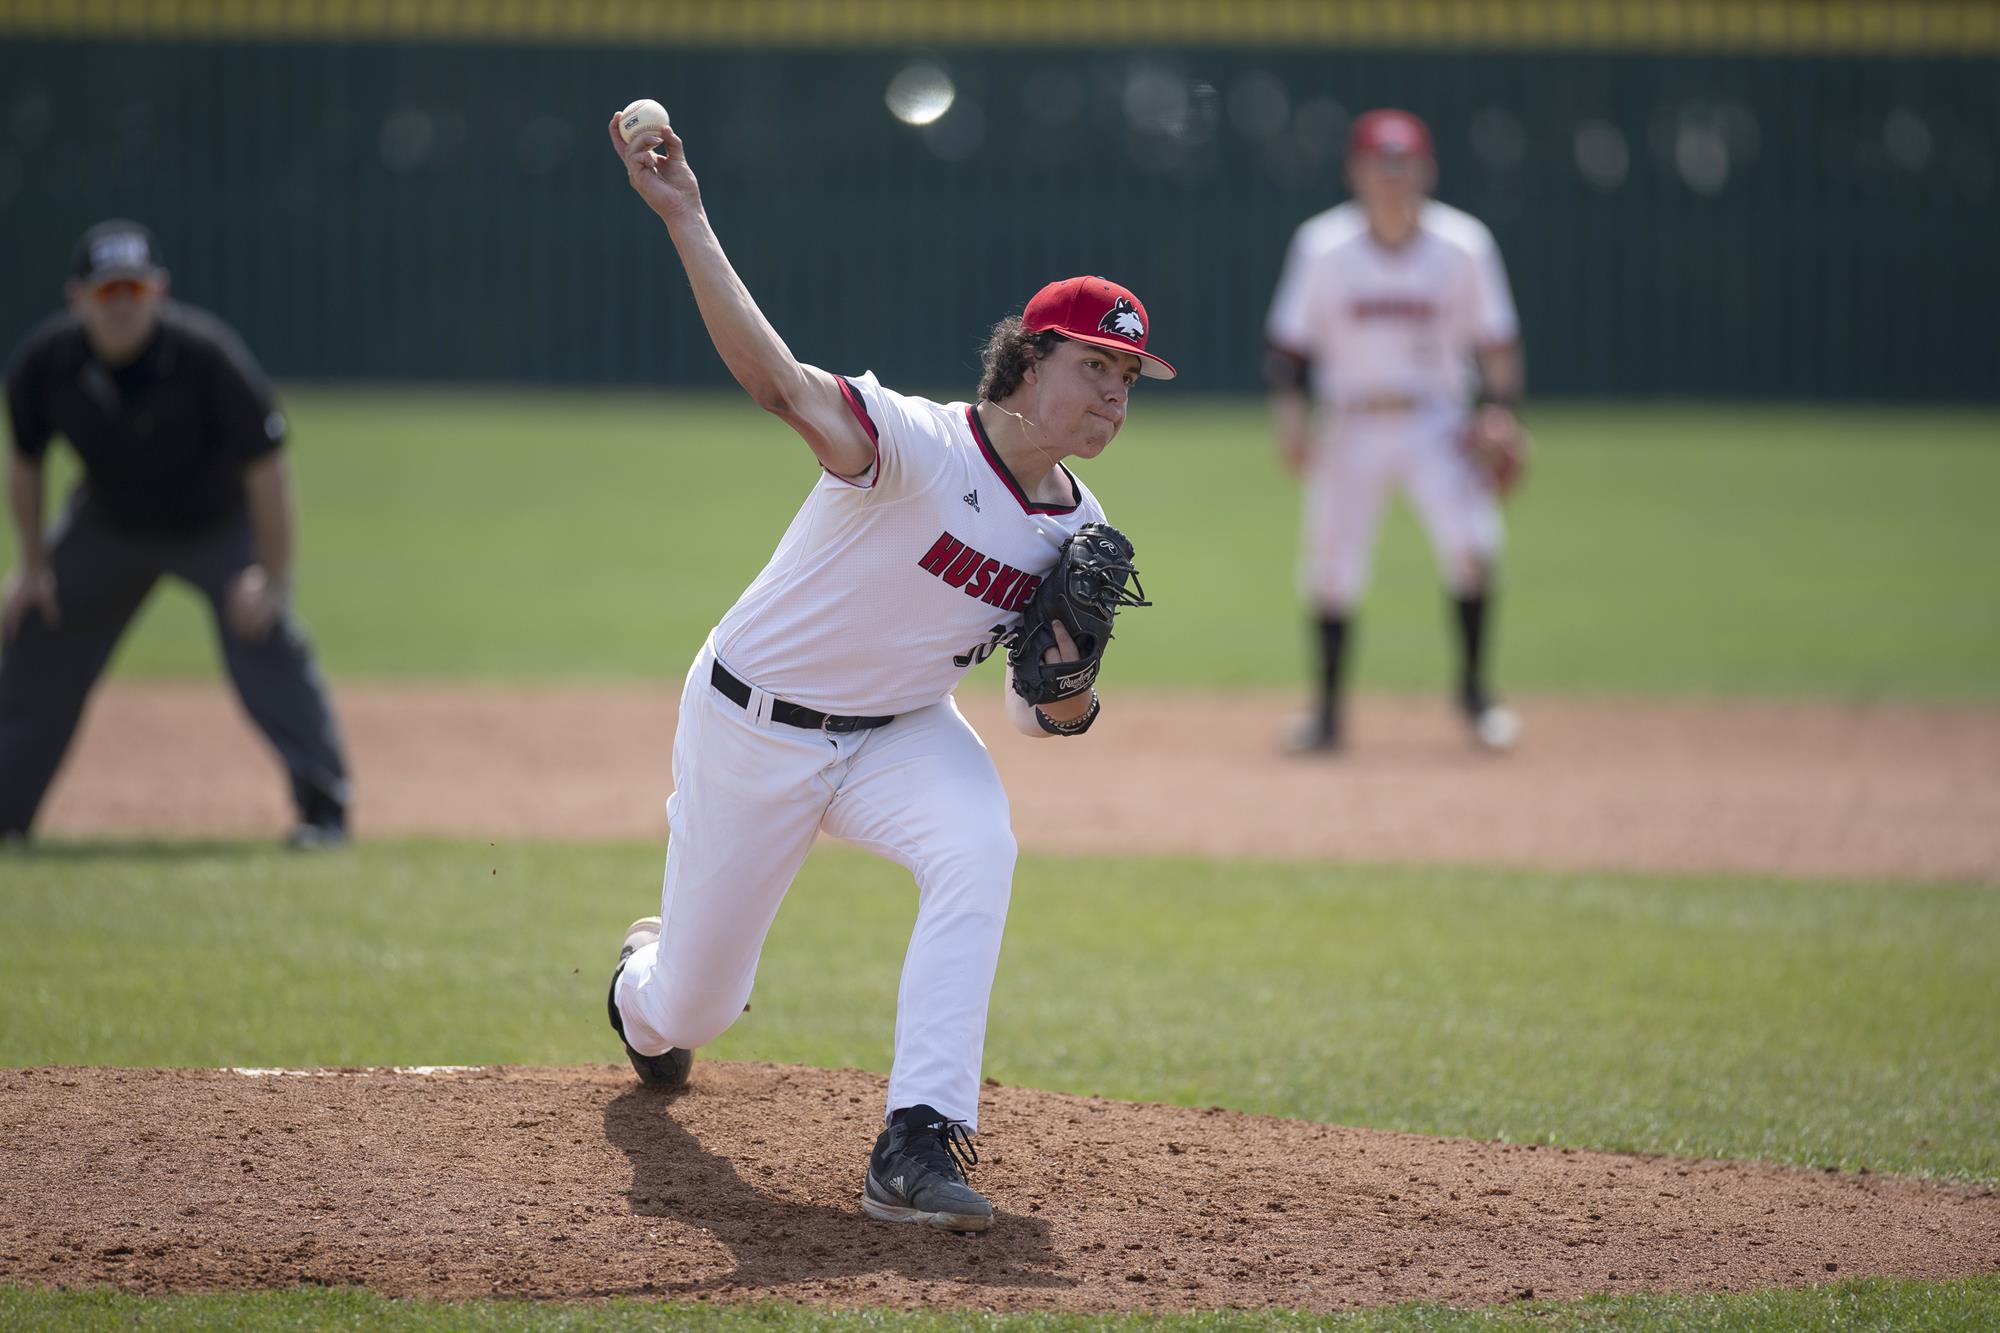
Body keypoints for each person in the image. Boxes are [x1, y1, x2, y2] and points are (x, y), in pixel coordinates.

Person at [601, 110, 1174, 1233]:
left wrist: (1073, 691)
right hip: (751, 725)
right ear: (1026, 359)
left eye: (1129, 377)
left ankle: (916, 1141)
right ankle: (637, 988)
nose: (1114, 393)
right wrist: (688, 218)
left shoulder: (1078, 526)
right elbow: (779, 388)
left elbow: (1034, 713)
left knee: (977, 844)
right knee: (694, 1004)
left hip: (899, 732)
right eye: (1095, 365)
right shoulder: (913, 444)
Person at [2, 220, 352, 847]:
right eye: (107, 292)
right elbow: (25, 462)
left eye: (133, 290)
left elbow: (268, 469)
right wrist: (32, 568)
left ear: (159, 290)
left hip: (213, 524)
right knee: (39, 623)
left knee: (263, 629)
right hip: (107, 523)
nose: (122, 306)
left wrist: (272, 578)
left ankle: (323, 811)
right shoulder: (46, 364)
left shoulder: (205, 355)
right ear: (77, 297)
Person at [1265, 109, 1527, 753]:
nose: (1391, 177)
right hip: (1350, 420)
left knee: (1473, 548)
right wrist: (1292, 420)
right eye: (1379, 164)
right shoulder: (1322, 247)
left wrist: (1498, 410)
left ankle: (1474, 696)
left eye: (1402, 163)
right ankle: (1327, 714)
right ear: (1356, 171)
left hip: (1438, 420)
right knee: (1330, 566)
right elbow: (1291, 347)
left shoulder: (1464, 245)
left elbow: (1496, 341)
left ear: (1425, 169)